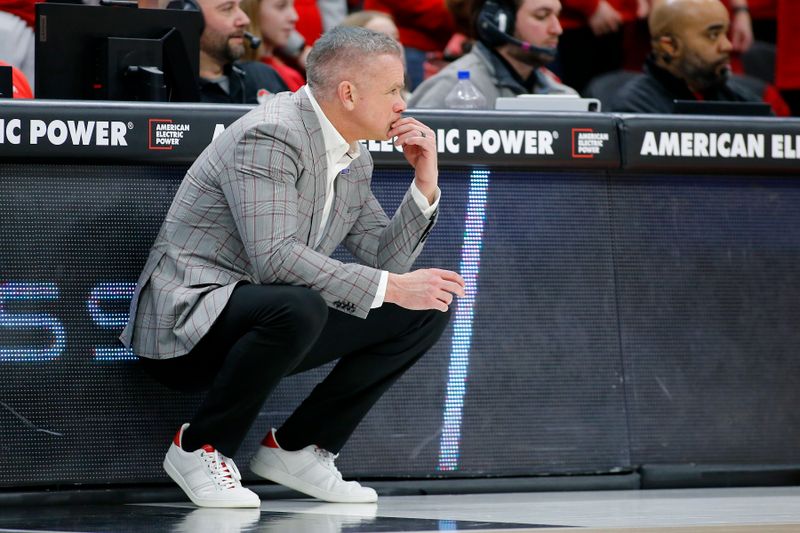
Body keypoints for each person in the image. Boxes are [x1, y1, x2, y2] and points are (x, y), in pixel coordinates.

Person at [120, 26, 465, 508]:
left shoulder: (353, 154)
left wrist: (424, 183)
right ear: (348, 93)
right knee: (298, 304)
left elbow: (387, 264)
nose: (402, 103)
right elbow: (275, 258)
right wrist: (390, 285)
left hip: (268, 318)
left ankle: (301, 448)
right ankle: (199, 447)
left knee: (427, 304)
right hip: (187, 326)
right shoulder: (273, 133)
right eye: (393, 90)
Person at [408, 0, 576, 110]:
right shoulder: (449, 90)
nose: (557, 28)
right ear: (500, 22)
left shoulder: (565, 97)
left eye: (557, 16)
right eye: (542, 16)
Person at [608, 0, 764, 113]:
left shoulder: (744, 102)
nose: (728, 45)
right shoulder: (635, 111)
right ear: (670, 46)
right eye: (713, 35)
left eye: (725, 33)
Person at [195, 0, 289, 103]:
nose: (245, 20)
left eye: (239, 7)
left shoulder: (263, 78)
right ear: (188, 12)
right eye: (227, 9)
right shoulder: (176, 95)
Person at [241, 0, 306, 91]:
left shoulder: (290, 76)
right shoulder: (233, 75)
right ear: (252, 11)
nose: (294, 17)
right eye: (280, 6)